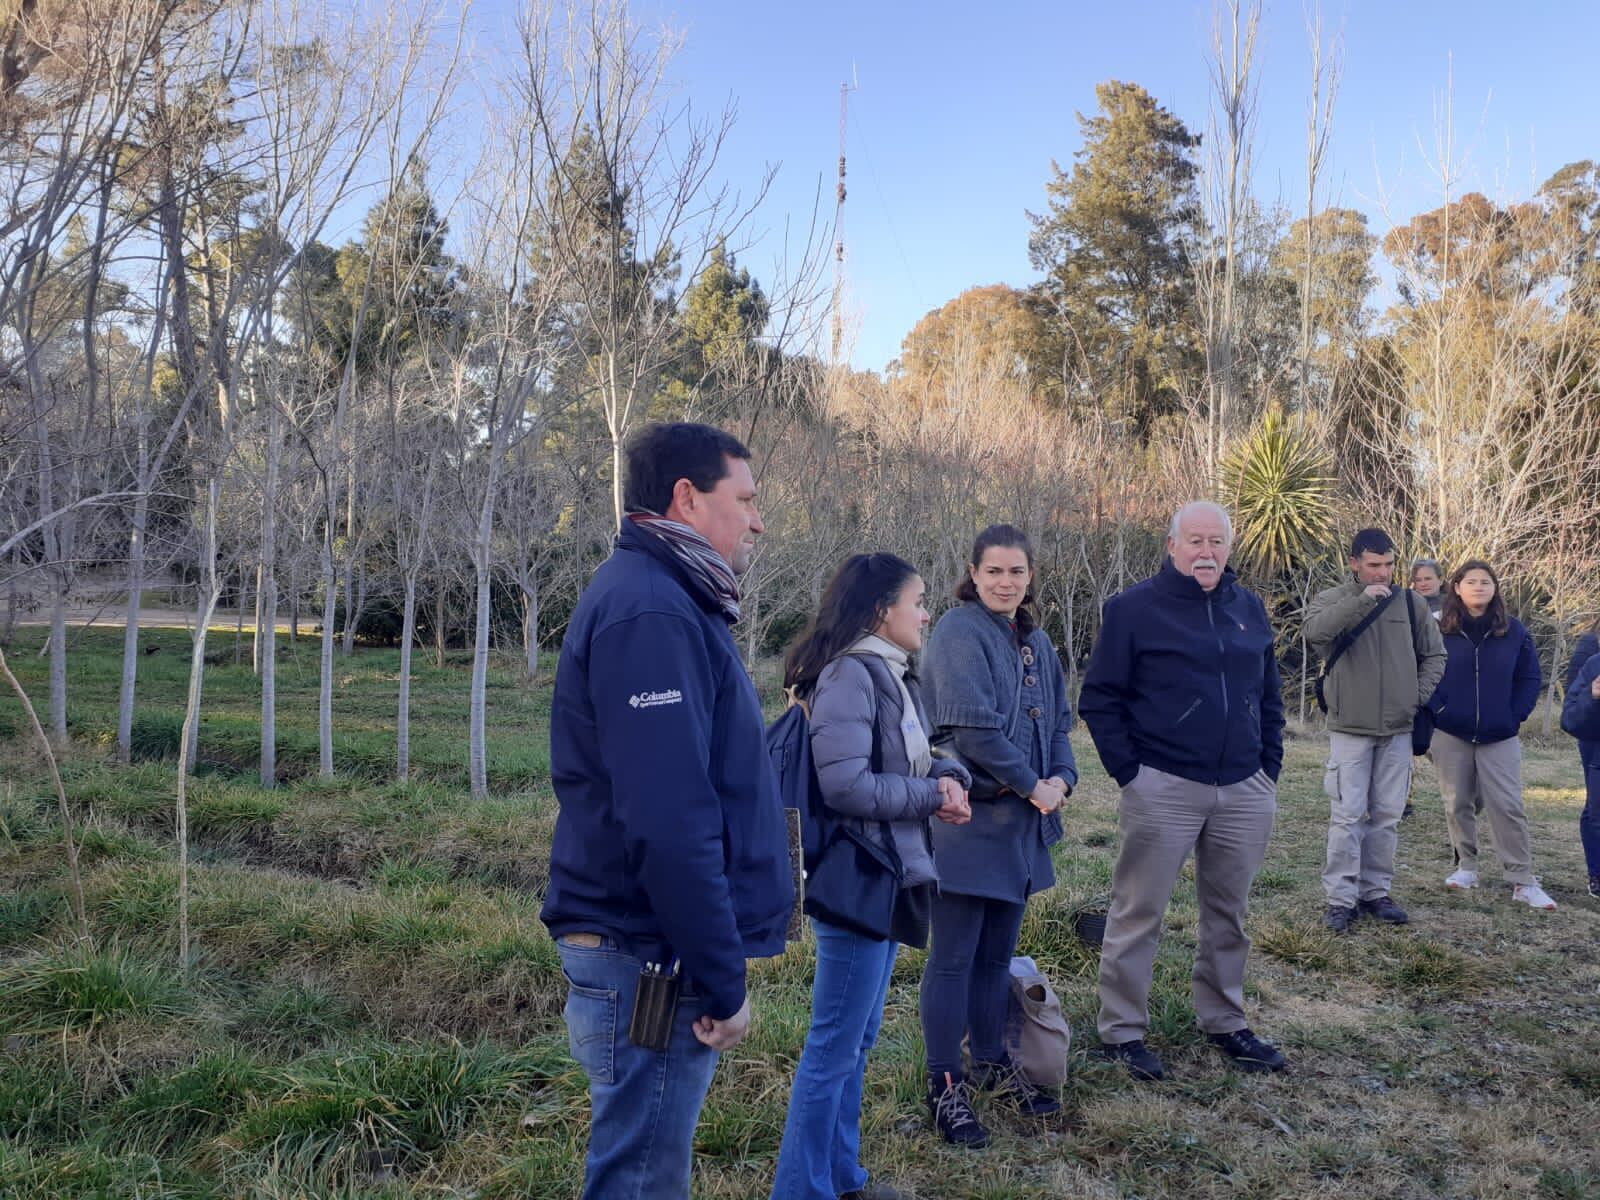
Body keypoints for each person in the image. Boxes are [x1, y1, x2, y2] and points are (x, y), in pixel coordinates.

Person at [541, 422, 792, 1200]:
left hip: (652, 944)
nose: (757, 519)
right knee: (641, 1178)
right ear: (687, 498)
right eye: (745, 500)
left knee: (646, 1168)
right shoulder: (652, 612)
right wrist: (723, 979)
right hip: (649, 953)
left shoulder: (670, 598)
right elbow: (669, 821)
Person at [770, 554, 972, 1200]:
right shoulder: (852, 677)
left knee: (855, 1043)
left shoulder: (891, 676)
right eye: (917, 601)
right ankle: (803, 1190)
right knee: (832, 1050)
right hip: (858, 880)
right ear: (883, 610)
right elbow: (847, 785)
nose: (927, 612)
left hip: (889, 877)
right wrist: (929, 796)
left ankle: (843, 1178)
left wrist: (951, 777)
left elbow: (908, 757)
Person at [1078, 501, 1287, 1082]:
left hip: (1244, 786)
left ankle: (1225, 1019)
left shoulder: (1248, 608)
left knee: (1230, 913)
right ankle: (1122, 1031)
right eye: (1194, 540)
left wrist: (1269, 765)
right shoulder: (1133, 610)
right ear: (1171, 546)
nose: (1206, 551)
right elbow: (1099, 699)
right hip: (1164, 785)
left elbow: (1270, 695)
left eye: (1216, 541)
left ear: (1229, 546)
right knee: (1138, 911)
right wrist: (1133, 776)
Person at [918, 524, 1077, 1147]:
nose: (1006, 582)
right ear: (974, 573)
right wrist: (1034, 783)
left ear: (1030, 575)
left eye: (1016, 572)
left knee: (994, 958)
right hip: (967, 822)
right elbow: (975, 733)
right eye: (995, 572)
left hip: (1019, 829)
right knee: (954, 961)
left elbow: (1060, 721)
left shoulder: (1035, 641)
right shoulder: (960, 631)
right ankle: (945, 1086)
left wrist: (1062, 776)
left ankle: (990, 1062)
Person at [1306, 528, 1446, 934]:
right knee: (1347, 816)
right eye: (1373, 566)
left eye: (1388, 565)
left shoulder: (1412, 603)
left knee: (1386, 816)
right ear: (1354, 563)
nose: (1382, 573)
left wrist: (1413, 699)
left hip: (1398, 729)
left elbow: (1435, 656)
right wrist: (1359, 602)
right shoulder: (1332, 600)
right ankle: (1339, 900)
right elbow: (1315, 634)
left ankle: (1375, 893)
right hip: (1350, 727)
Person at [1425, 560, 1554, 909]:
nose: (1479, 587)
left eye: (1486, 581)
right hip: (1450, 730)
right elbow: (1423, 670)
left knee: (1507, 805)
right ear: (1456, 587)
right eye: (1472, 581)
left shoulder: (1513, 631)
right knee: (1458, 801)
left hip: (1500, 734)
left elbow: (1529, 678)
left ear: (1495, 588)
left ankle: (1522, 879)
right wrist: (1438, 710)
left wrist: (1515, 716)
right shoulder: (1438, 629)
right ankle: (1467, 867)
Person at [1564, 621, 1600, 899]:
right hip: (1594, 741)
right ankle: (1597, 873)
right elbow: (1572, 716)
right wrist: (1593, 696)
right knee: (1596, 809)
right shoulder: (1592, 658)